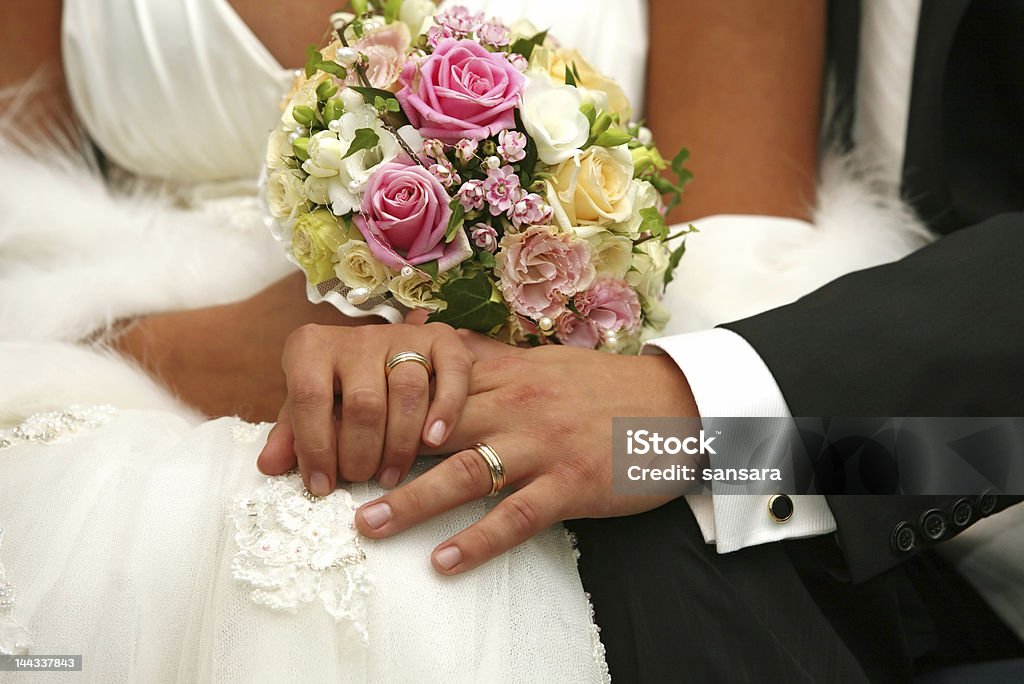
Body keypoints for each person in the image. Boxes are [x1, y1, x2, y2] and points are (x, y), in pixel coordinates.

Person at [0, 0, 1019, 682]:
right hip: (138, 392)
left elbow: (748, 260)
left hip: (623, 390)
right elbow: (23, 229)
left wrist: (633, 394)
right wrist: (187, 344)